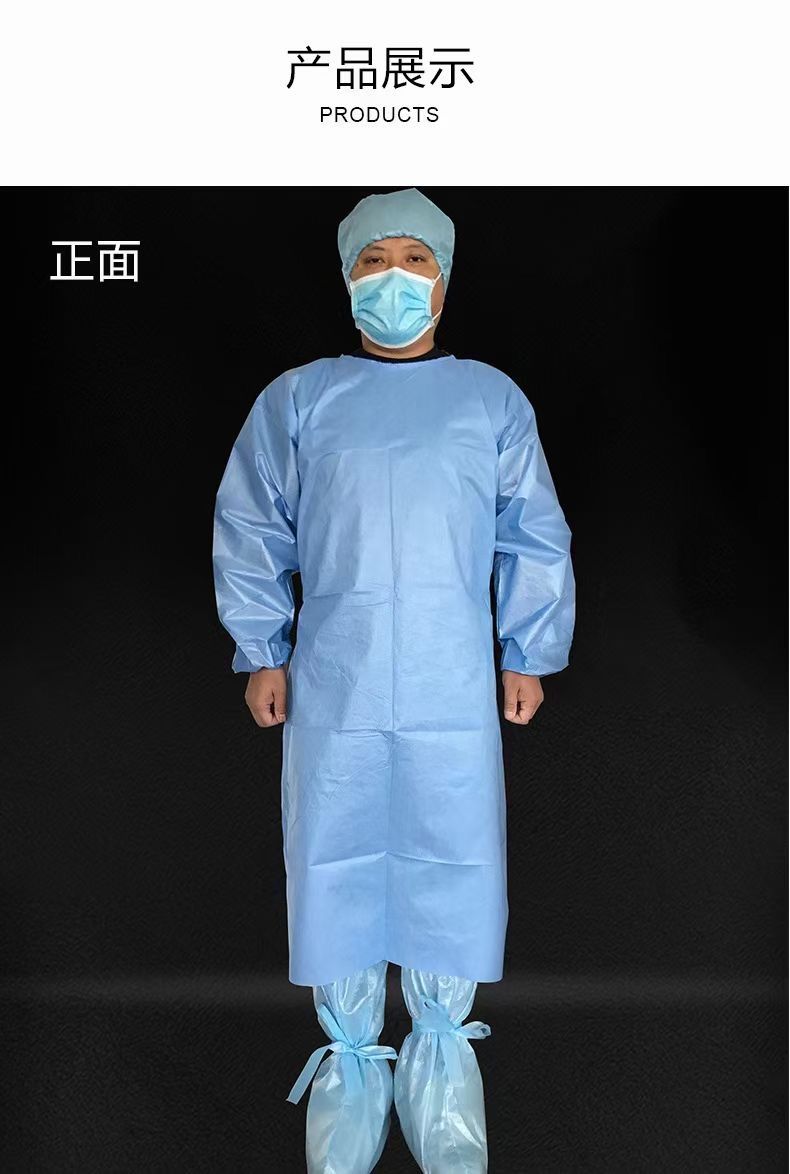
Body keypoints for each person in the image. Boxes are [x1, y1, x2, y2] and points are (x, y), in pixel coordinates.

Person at [212, 187, 576, 1173]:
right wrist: (263, 648)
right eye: (373, 262)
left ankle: (442, 1073)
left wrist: (526, 650)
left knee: (450, 859)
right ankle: (351, 1074)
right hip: (335, 683)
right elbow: (252, 525)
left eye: (414, 260)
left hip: (451, 686)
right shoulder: (301, 399)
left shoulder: (490, 400)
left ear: (444, 282)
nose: (394, 280)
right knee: (333, 861)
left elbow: (530, 531)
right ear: (346, 279)